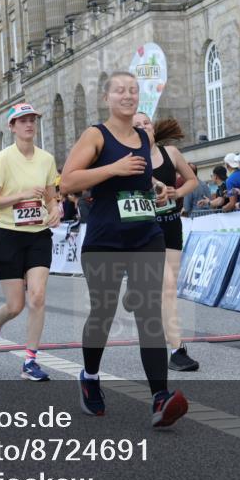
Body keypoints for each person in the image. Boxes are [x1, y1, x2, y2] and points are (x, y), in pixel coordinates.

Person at [60, 71, 188, 428]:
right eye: (120, 90)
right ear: (107, 98)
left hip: (146, 235)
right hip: (105, 239)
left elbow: (140, 177)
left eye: (133, 90)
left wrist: (157, 187)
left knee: (149, 312)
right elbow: (67, 180)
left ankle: (160, 397)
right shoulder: (95, 136)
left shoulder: (144, 136)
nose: (128, 95)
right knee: (103, 312)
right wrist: (113, 168)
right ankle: (89, 376)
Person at [0, 103, 62, 381]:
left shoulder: (46, 159)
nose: (29, 125)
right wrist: (22, 194)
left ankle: (30, 361)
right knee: (15, 306)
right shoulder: (3, 158)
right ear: (12, 126)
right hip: (8, 235)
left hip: (38, 234)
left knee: (37, 297)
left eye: (32, 120)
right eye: (23, 121)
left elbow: (52, 196)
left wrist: (55, 210)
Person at [133, 112, 200, 372]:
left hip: (171, 224)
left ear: (152, 126)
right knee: (167, 287)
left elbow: (193, 180)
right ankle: (177, 350)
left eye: (145, 123)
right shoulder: (130, 160)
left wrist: (177, 192)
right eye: (136, 125)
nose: (142, 127)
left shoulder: (170, 153)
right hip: (146, 228)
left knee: (167, 290)